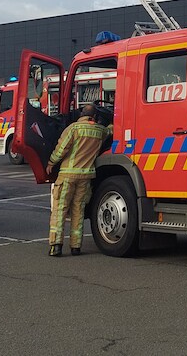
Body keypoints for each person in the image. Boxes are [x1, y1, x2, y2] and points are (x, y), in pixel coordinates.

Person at [46, 104, 111, 257]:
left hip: (68, 175)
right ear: (94, 116)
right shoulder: (100, 131)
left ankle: (56, 245)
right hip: (86, 177)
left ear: (81, 114)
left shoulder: (73, 128)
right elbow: (110, 130)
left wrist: (51, 163)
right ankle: (76, 246)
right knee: (78, 211)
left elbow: (61, 149)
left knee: (60, 210)